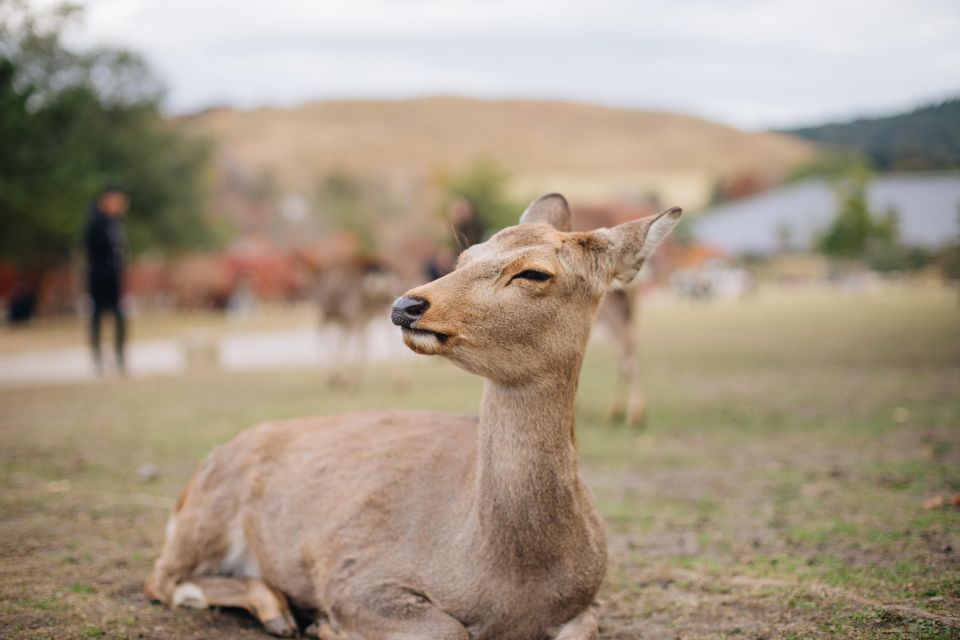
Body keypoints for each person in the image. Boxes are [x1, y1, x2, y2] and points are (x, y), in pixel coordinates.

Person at [84, 184, 129, 374]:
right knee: (97, 315)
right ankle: (97, 357)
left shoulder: (115, 223)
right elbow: (90, 249)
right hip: (99, 277)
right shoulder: (95, 222)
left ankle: (119, 355)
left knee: (119, 315)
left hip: (114, 277)